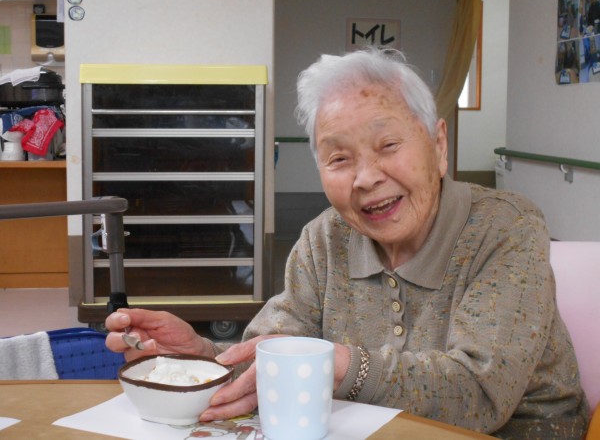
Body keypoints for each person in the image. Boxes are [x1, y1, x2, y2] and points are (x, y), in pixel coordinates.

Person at [105, 48, 589, 439]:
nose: (366, 177)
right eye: (339, 158)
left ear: (439, 146)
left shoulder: (506, 228)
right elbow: (269, 361)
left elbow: (481, 395)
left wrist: (338, 366)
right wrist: (199, 359)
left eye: (388, 146)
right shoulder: (324, 240)